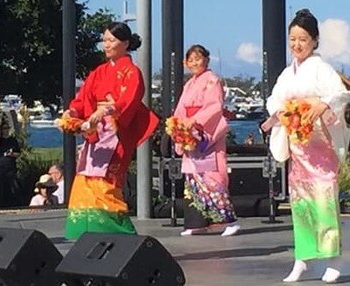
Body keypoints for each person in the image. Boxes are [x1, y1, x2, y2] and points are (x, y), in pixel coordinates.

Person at [261, 9, 350, 283]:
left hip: (320, 146)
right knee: (300, 202)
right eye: (293, 39)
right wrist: (283, 112)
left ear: (314, 40)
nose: (297, 45)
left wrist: (322, 104)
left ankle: (334, 258)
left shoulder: (321, 69)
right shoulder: (289, 73)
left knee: (324, 200)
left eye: (303, 39)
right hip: (299, 149)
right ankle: (302, 257)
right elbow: (274, 100)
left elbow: (340, 95)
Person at [61, 21, 159, 240]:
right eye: (104, 40)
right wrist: (72, 112)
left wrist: (105, 112)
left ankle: (122, 235)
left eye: (111, 40)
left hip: (115, 132)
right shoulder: (98, 72)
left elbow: (128, 101)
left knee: (107, 184)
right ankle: (88, 234)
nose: (106, 45)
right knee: (85, 181)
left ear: (125, 43)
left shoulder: (131, 72)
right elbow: (83, 98)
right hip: (95, 134)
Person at [173, 44, 240, 237]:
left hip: (206, 133)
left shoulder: (212, 80)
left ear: (206, 60)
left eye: (198, 58)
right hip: (189, 131)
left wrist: (195, 121)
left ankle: (229, 220)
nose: (194, 62)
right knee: (193, 178)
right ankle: (197, 222)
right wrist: (179, 126)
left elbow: (214, 106)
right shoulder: (189, 84)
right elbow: (180, 109)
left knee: (211, 177)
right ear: (185, 63)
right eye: (191, 59)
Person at [0, 121, 21, 207]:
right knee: (1, 187)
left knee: (13, 186)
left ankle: (14, 204)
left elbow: (18, 153)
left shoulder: (12, 140)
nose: (6, 130)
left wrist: (12, 154)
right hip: (0, 167)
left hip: (10, 167)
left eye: (8, 128)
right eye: (4, 128)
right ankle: (1, 204)